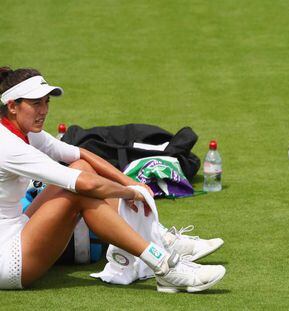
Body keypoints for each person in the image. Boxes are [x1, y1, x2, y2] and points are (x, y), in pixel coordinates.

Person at [0, 67, 225, 291]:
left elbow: (80, 154)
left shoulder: (24, 132)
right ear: (12, 106)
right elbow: (85, 184)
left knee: (82, 167)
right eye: (36, 103)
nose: (44, 110)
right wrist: (130, 192)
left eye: (46, 102)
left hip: (17, 229)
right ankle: (164, 266)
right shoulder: (9, 146)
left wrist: (129, 181)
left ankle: (159, 238)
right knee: (78, 193)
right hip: (9, 262)